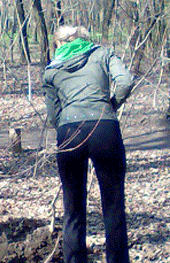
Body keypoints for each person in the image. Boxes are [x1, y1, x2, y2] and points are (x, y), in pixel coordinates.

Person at [42, 25, 134, 263]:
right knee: (113, 205)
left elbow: (53, 115)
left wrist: (66, 125)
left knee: (72, 208)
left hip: (69, 132)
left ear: (59, 44)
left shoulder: (52, 70)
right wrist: (110, 106)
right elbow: (125, 81)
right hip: (105, 129)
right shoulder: (103, 53)